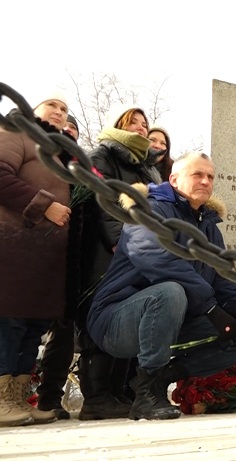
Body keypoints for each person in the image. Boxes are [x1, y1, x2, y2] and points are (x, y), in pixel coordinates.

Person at [86, 152, 236, 420]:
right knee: (170, 291)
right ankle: (145, 397)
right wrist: (211, 307)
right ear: (174, 179)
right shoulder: (147, 209)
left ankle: (160, 380)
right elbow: (156, 259)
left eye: (210, 177)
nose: (205, 181)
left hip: (175, 319)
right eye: (197, 174)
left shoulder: (209, 226)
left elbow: (222, 277)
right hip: (117, 321)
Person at [78, 104, 162, 420]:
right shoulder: (104, 155)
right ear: (120, 125)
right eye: (134, 122)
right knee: (103, 319)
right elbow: (104, 199)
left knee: (132, 320)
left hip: (141, 252)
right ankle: (96, 397)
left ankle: (119, 391)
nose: (141, 127)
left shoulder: (149, 168)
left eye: (145, 123)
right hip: (110, 253)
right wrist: (118, 240)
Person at [1, 91, 74, 426]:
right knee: (9, 322)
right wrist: (46, 204)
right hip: (12, 247)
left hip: (45, 257)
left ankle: (16, 397)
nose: (59, 112)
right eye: (52, 106)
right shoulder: (17, 134)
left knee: (33, 327)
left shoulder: (59, 155)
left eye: (64, 109)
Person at [35, 111, 84, 420]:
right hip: (34, 253)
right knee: (24, 327)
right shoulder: (35, 158)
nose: (67, 131)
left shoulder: (81, 170)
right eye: (63, 127)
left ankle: (49, 397)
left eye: (72, 130)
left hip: (71, 257)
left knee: (63, 332)